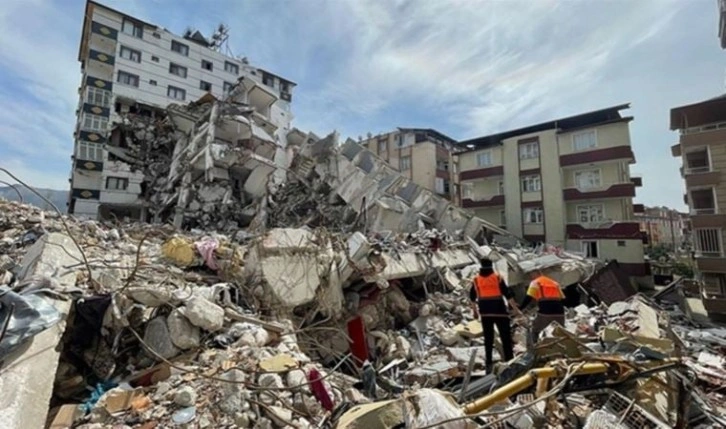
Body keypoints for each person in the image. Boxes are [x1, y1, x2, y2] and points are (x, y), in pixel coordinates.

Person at [469, 260, 521, 371]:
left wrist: (475, 311)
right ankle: (509, 360)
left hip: (485, 313)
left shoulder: (476, 280)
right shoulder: (497, 277)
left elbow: (472, 297)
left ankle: (489, 362)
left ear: (481, 266)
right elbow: (508, 295)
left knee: (488, 338)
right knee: (505, 337)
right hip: (500, 312)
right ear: (491, 265)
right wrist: (516, 310)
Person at [520, 270, 565, 340]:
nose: (530, 277)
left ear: (536, 274)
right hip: (560, 312)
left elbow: (528, 297)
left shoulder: (535, 282)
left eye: (531, 275)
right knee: (560, 333)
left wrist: (520, 308)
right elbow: (562, 298)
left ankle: (535, 348)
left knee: (535, 330)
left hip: (546, 311)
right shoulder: (555, 283)